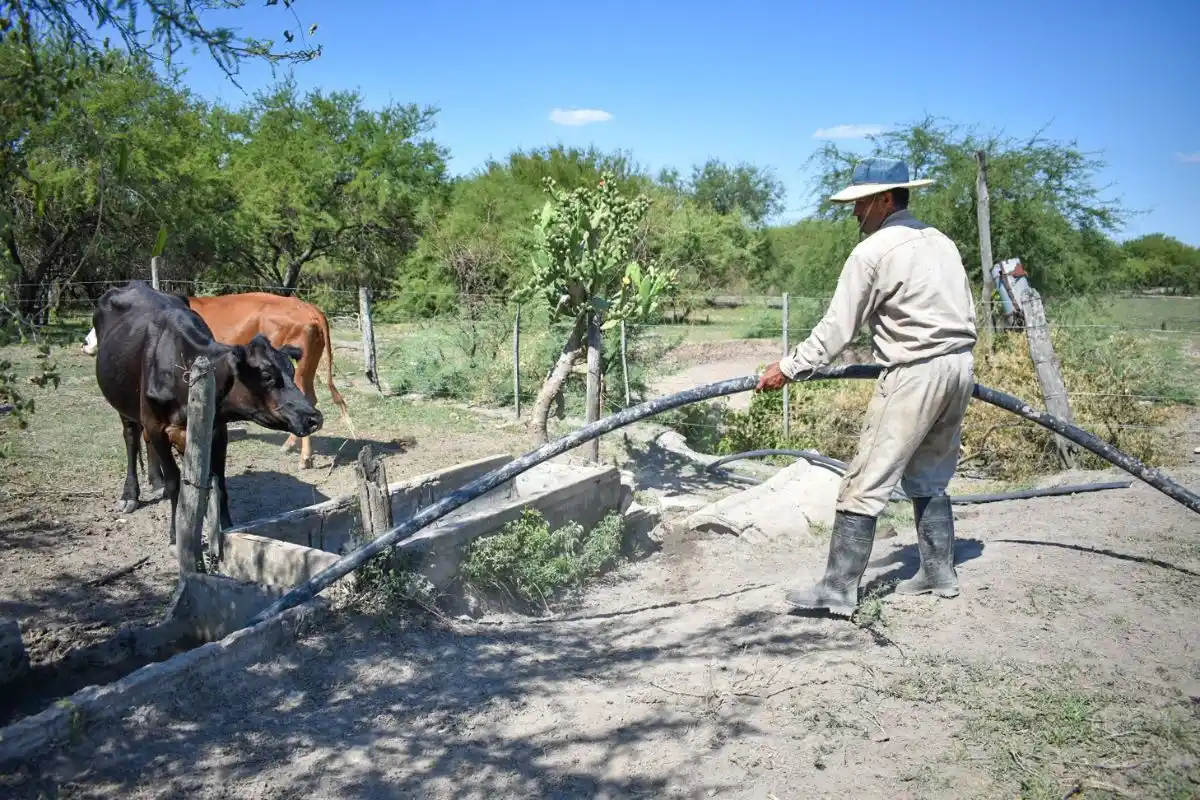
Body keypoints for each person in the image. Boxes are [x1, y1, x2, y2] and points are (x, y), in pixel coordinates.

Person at [756, 157, 978, 618]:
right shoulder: (941, 243)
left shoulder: (873, 252)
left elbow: (837, 330)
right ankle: (939, 571)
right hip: (959, 368)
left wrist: (789, 368)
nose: (855, 214)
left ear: (883, 200)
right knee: (931, 472)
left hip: (914, 371)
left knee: (864, 480)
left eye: (859, 204)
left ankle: (837, 589)